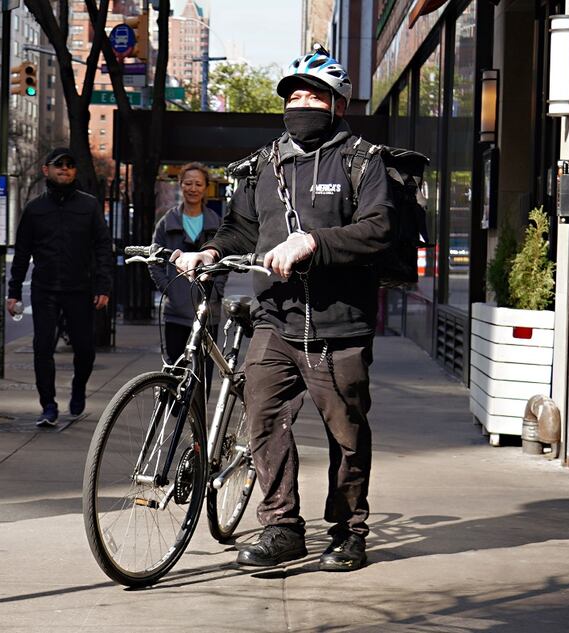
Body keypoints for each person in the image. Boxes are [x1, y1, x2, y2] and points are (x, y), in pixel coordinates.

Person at [173, 46, 393, 572]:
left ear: (336, 103)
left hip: (339, 324)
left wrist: (312, 242)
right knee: (263, 416)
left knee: (346, 431)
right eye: (294, 95)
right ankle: (282, 527)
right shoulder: (265, 162)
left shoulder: (362, 160)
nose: (301, 103)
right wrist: (209, 251)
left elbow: (378, 228)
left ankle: (347, 530)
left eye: (312, 95)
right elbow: (239, 229)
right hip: (275, 318)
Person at [7, 147, 112, 426]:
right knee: (42, 347)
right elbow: (21, 253)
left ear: (75, 171)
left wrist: (103, 286)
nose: (64, 169)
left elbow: (103, 247)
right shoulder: (34, 209)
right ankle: (48, 406)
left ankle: (78, 390)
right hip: (45, 289)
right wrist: (13, 291)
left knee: (86, 349)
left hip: (80, 288)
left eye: (69, 165)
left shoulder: (89, 206)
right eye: (58, 165)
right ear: (46, 170)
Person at [148, 162, 226, 376]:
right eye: (188, 183)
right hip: (175, 312)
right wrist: (169, 290)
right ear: (180, 185)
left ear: (206, 187)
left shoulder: (217, 223)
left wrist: (216, 291)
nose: (193, 188)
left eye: (198, 184)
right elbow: (154, 261)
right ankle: (175, 411)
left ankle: (198, 412)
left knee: (202, 375)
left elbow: (224, 263)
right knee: (174, 371)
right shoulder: (166, 222)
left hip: (207, 311)